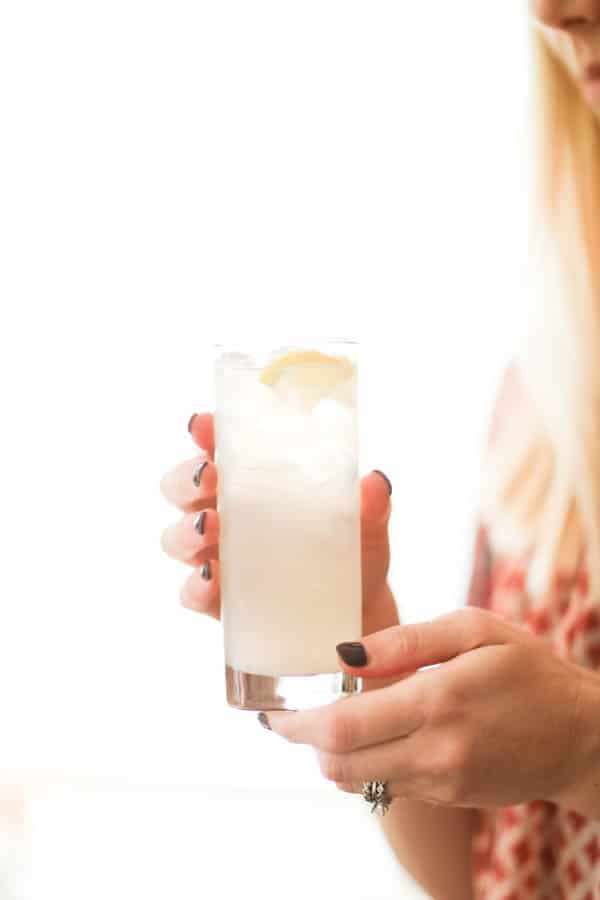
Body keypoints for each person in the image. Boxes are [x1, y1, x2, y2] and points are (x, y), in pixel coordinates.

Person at [160, 3, 600, 897]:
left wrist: (585, 750)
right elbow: (473, 872)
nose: (553, 9)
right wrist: (367, 631)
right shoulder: (552, 376)